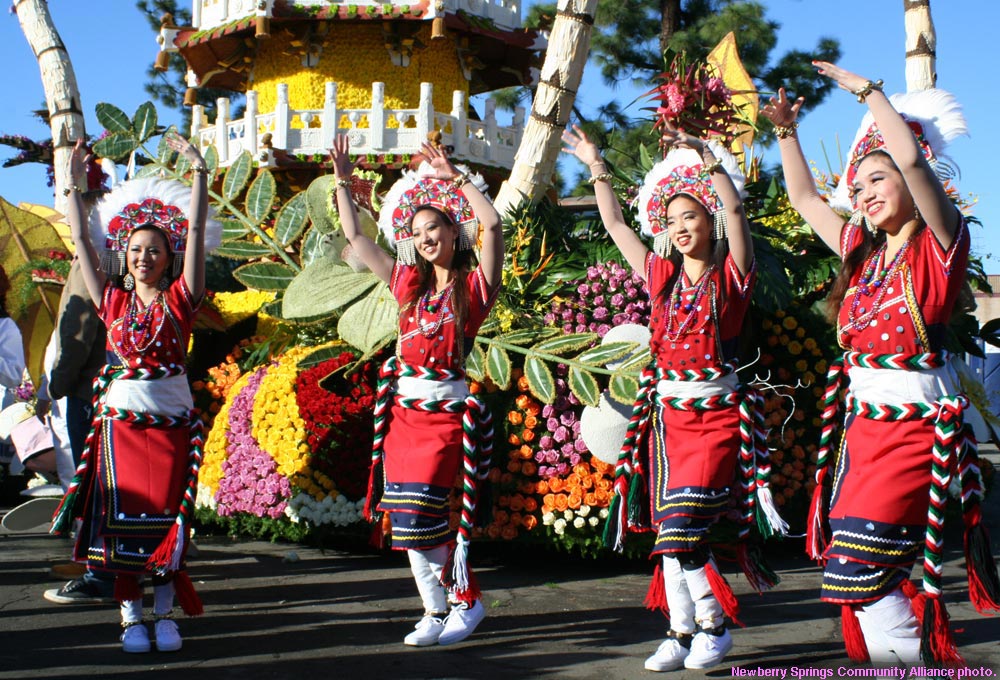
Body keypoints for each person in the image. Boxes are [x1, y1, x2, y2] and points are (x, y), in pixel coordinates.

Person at [761, 61, 1000, 664]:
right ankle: (914, 665)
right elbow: (803, 198)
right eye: (858, 186)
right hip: (863, 430)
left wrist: (871, 96)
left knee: (858, 567)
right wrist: (785, 131)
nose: (864, 194)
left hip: (916, 429)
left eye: (876, 178)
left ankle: (920, 667)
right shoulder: (861, 256)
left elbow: (917, 165)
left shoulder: (937, 246)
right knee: (862, 578)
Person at [562, 124, 784, 672]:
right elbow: (614, 222)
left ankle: (714, 626)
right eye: (673, 220)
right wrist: (595, 164)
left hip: (714, 419)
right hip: (667, 424)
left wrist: (711, 165)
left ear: (708, 221)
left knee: (684, 527)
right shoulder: (660, 276)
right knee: (669, 533)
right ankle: (680, 631)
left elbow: (738, 217)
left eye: (692, 217)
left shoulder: (731, 278)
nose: (682, 227)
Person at [329, 134, 503, 647]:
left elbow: (491, 224)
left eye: (436, 228)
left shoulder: (473, 290)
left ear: (453, 232)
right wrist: (342, 180)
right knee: (405, 515)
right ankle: (435, 609)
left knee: (425, 507)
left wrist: (458, 180)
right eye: (418, 231)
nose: (426, 238)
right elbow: (358, 240)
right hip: (404, 415)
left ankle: (466, 601)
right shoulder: (408, 286)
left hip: (445, 413)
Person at [50, 133, 220, 653]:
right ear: (124, 254)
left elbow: (194, 231)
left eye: (155, 250)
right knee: (119, 521)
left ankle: (165, 615)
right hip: (120, 427)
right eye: (136, 249)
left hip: (169, 425)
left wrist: (198, 174)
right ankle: (130, 618)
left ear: (169, 257)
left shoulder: (182, 299)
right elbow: (80, 240)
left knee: (166, 522)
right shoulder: (112, 300)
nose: (145, 257)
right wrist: (75, 186)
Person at [43, 257, 116, 602]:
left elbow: (78, 330)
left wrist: (57, 385)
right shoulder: (118, 251)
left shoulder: (99, 256)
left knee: (96, 486)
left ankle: (102, 572)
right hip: (115, 388)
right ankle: (107, 564)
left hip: (90, 388)